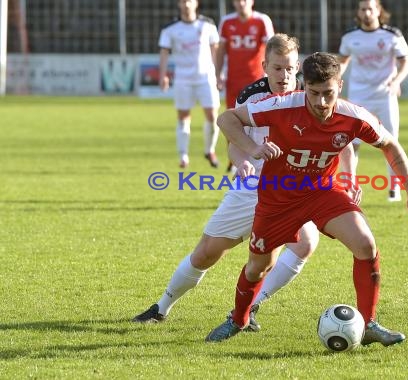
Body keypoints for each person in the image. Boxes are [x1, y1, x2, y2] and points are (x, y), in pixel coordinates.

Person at [205, 52, 408, 346]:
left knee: (365, 244)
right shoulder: (280, 105)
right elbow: (227, 119)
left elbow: (390, 145)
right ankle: (238, 319)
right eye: (314, 93)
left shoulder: (353, 116)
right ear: (304, 86)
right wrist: (252, 148)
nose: (321, 102)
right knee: (257, 267)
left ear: (340, 85)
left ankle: (368, 323)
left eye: (328, 94)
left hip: (323, 191)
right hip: (279, 196)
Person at [132, 35, 359, 329]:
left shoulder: (313, 95)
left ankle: (250, 308)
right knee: (206, 253)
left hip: (293, 191)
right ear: (265, 66)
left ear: (298, 67)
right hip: (251, 188)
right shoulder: (251, 98)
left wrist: (349, 179)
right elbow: (232, 141)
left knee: (305, 243)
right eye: (277, 68)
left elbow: (344, 144)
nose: (284, 75)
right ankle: (161, 307)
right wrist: (243, 163)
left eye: (290, 69)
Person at [338, 0, 408, 202]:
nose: (367, 12)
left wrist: (397, 81)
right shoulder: (350, 36)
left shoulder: (392, 35)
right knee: (352, 143)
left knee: (390, 141)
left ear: (378, 10)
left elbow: (405, 61)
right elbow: (343, 61)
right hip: (359, 96)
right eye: (363, 9)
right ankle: (350, 186)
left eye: (370, 8)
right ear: (359, 12)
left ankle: (394, 189)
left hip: (385, 96)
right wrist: (335, 79)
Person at [158, 0, 221, 169]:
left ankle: (210, 150)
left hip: (206, 78)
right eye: (183, 1)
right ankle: (183, 155)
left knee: (213, 116)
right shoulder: (170, 29)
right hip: (183, 79)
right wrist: (163, 75)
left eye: (189, 1)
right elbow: (164, 52)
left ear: (196, 3)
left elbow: (215, 50)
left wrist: (219, 74)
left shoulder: (207, 25)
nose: (186, 5)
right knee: (183, 117)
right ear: (178, 4)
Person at [216, 0, 275, 172]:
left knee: (259, 122)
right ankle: (236, 160)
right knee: (231, 120)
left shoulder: (262, 20)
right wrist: (218, 74)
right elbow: (221, 50)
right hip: (233, 80)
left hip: (257, 81)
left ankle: (263, 159)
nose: (241, 3)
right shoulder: (227, 21)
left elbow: (272, 48)